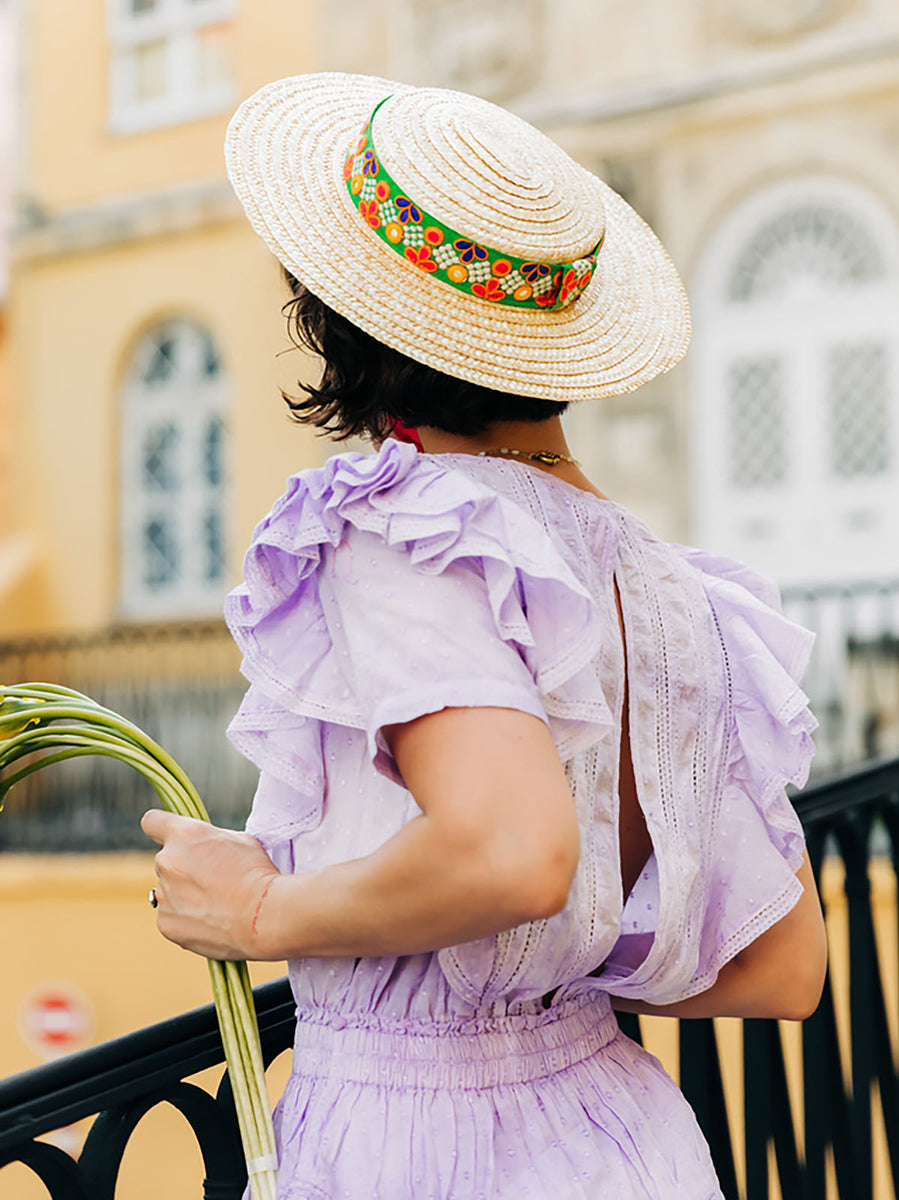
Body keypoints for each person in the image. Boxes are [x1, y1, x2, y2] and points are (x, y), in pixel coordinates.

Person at [141, 73, 828, 1199]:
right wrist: (545, 985)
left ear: (341, 309)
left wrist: (267, 911)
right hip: (622, 1133)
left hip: (427, 1156)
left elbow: (511, 850)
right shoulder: (671, 584)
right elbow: (783, 966)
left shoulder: (401, 525)